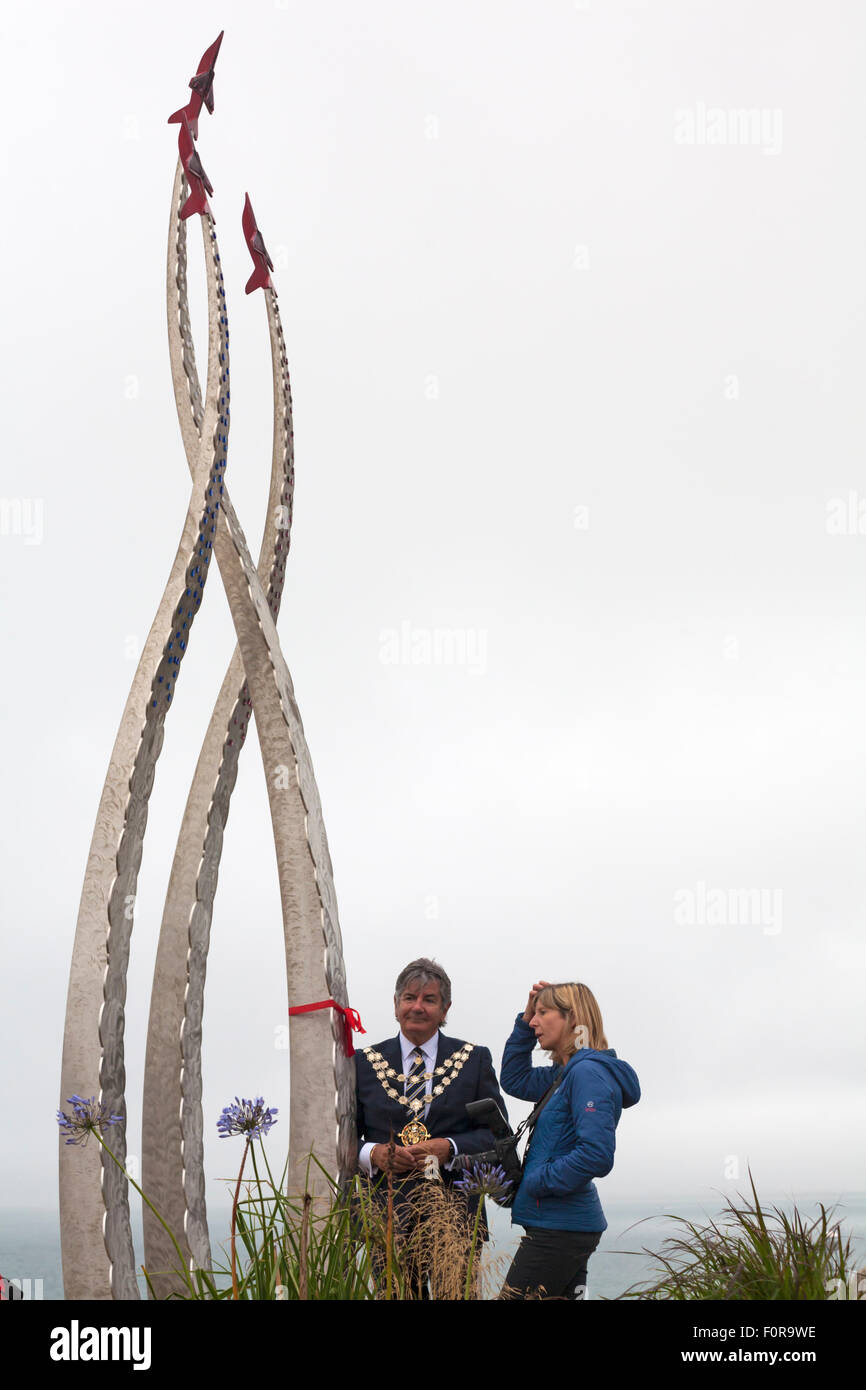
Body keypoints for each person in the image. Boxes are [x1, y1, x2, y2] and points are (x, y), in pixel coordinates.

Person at [355, 957, 508, 1297]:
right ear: (396, 1005)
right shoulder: (362, 1063)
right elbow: (340, 1140)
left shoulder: (474, 1059)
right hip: (387, 1218)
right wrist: (373, 1153)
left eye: (429, 1000)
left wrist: (449, 1148)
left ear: (445, 1009)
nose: (418, 1007)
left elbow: (498, 1137)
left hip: (457, 1219)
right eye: (409, 998)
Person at [499, 979, 640, 1300]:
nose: (533, 1021)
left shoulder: (587, 1073)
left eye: (542, 1012)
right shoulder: (564, 1073)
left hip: (559, 1227)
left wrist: (537, 1181)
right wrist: (523, 1022)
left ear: (572, 1017)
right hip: (563, 1225)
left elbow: (597, 1155)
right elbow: (514, 1079)